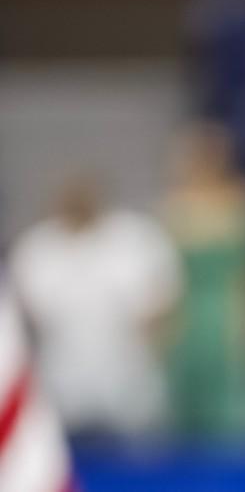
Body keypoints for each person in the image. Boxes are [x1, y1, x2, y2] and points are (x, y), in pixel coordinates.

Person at [8, 172, 181, 444]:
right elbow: (26, 321)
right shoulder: (36, 247)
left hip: (128, 378)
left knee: (141, 460)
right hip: (62, 379)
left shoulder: (135, 238)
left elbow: (162, 307)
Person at [162, 120, 245, 443]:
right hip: (189, 320)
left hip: (234, 316)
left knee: (239, 414)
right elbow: (163, 277)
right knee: (188, 413)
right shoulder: (173, 208)